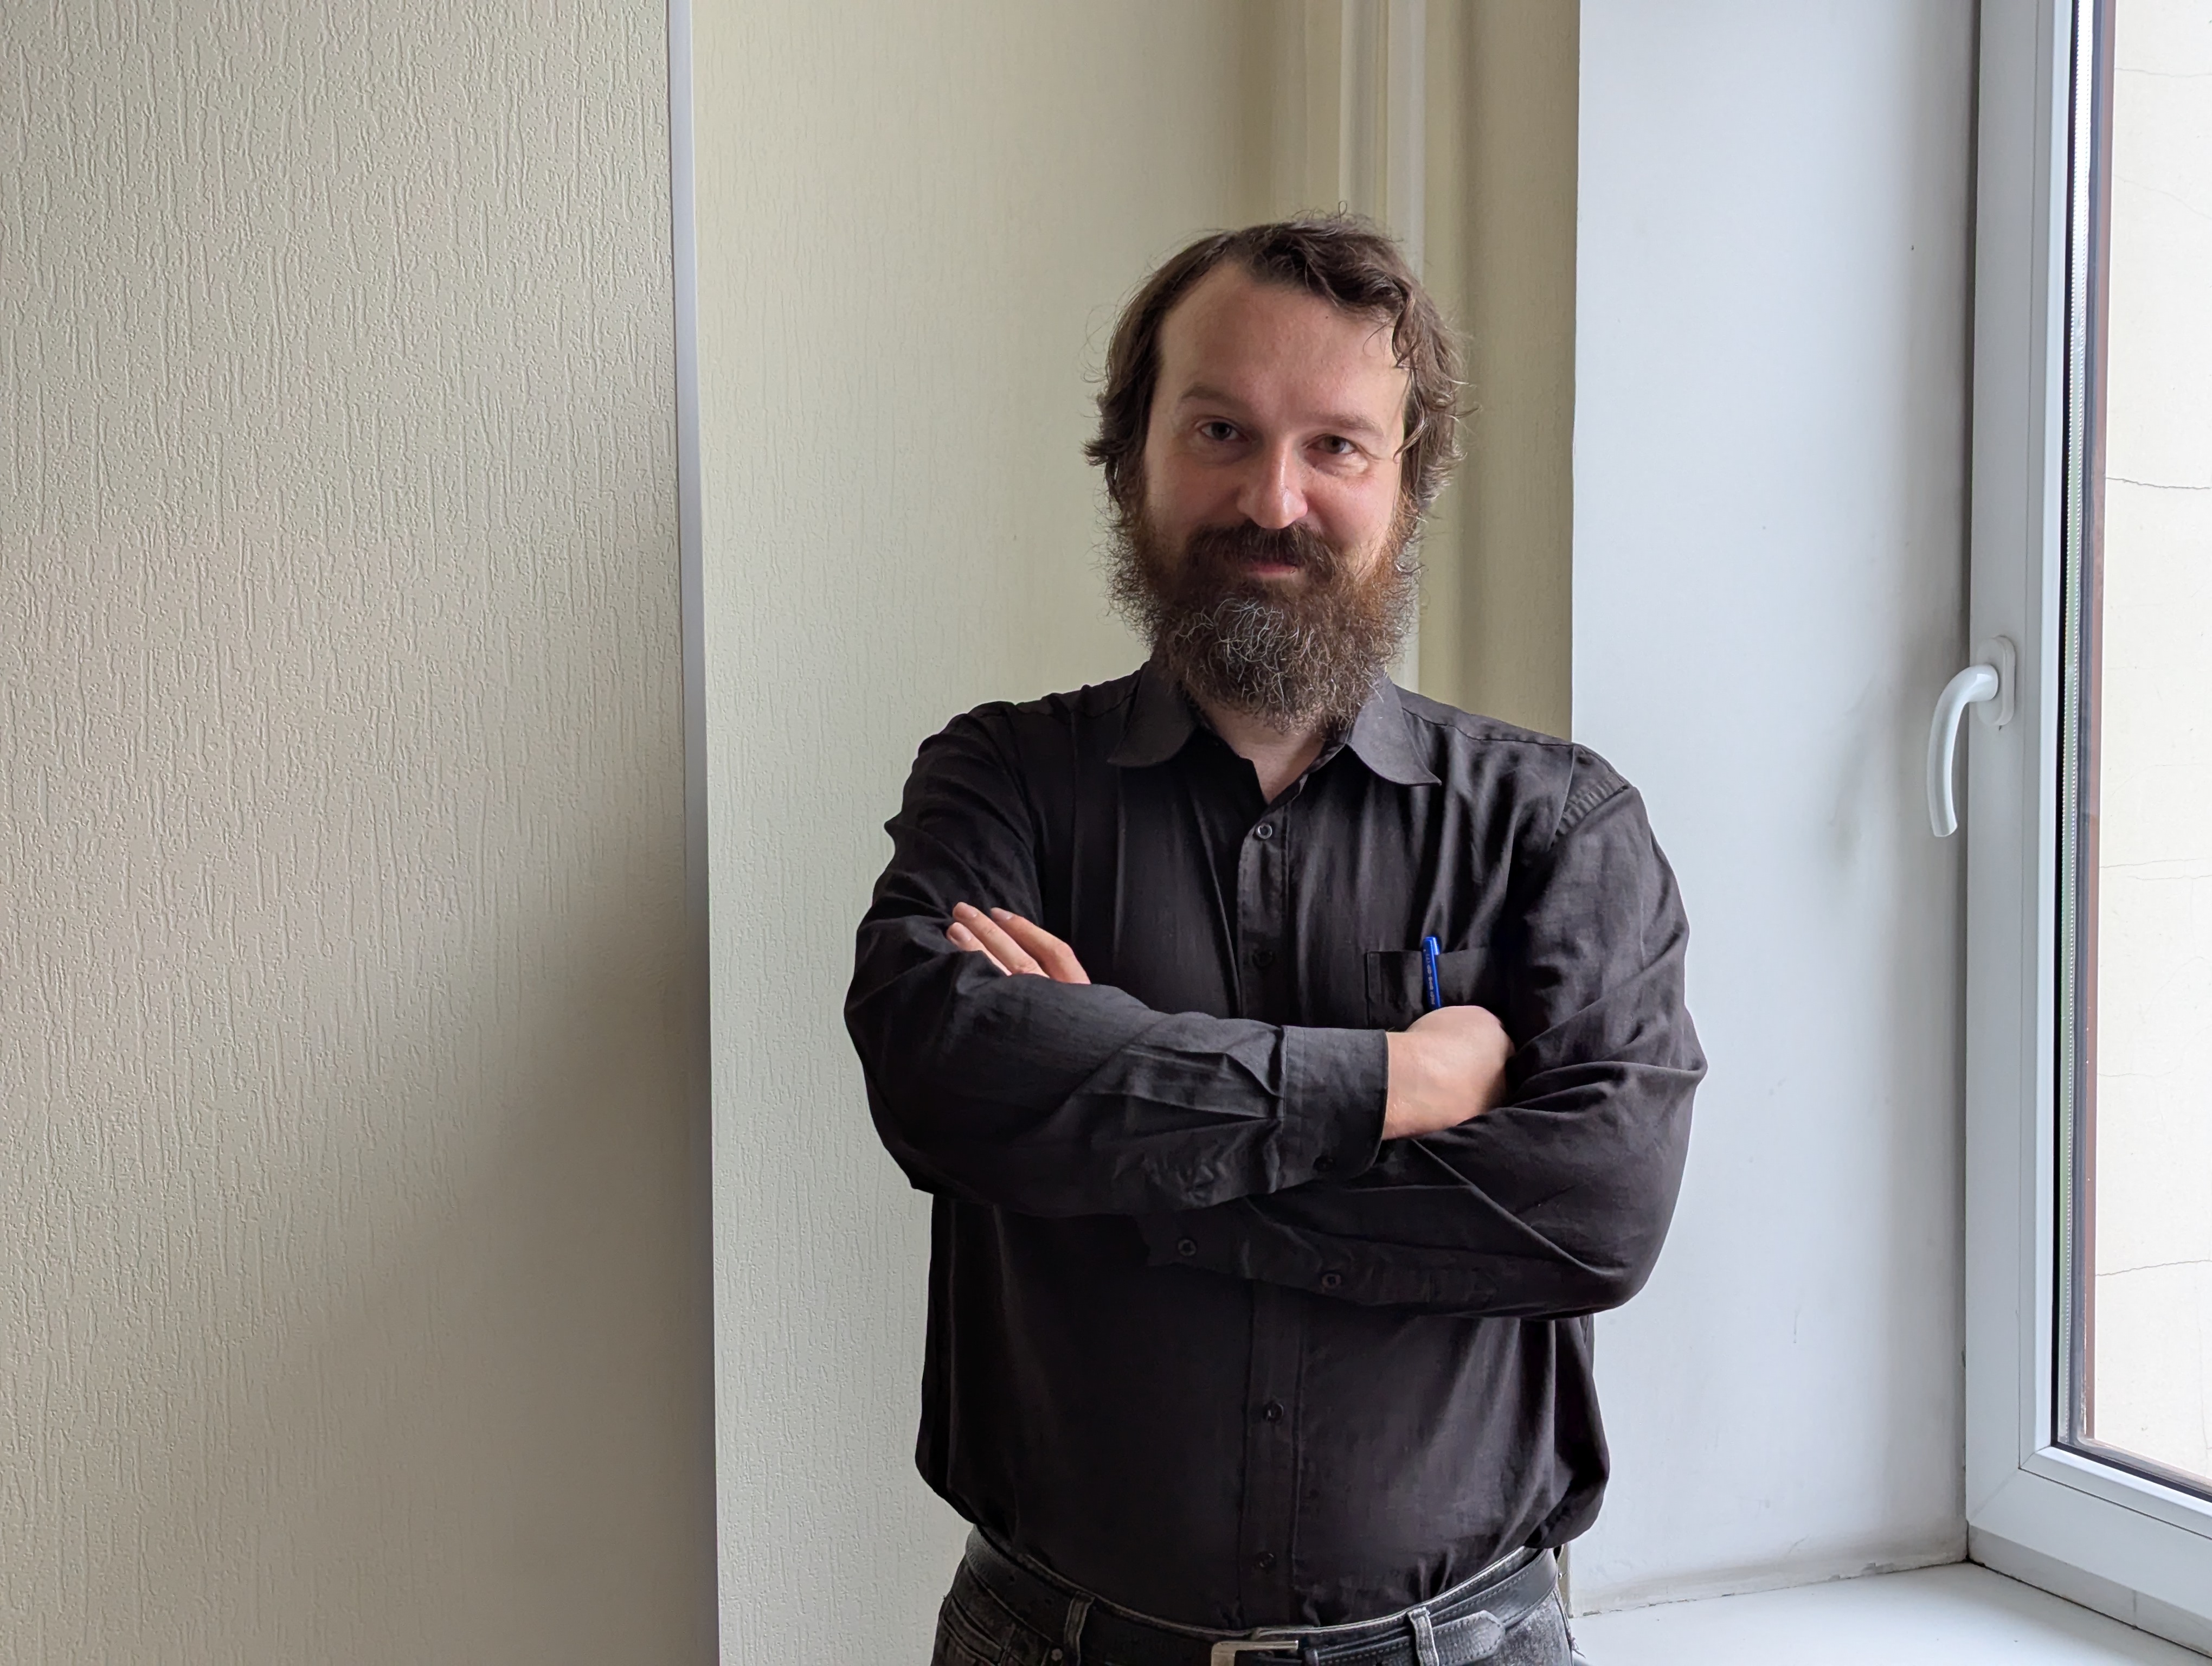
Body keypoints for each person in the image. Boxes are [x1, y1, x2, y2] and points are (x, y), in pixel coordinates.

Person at [846, 215, 1702, 1666]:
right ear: (1132, 458)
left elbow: (1599, 1211)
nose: (1274, 498)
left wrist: (1120, 1160)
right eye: (1221, 432)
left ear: (1408, 484)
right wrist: (1402, 1084)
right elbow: (941, 1083)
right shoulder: (1001, 783)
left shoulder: (1556, 826)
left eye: (1337, 447)